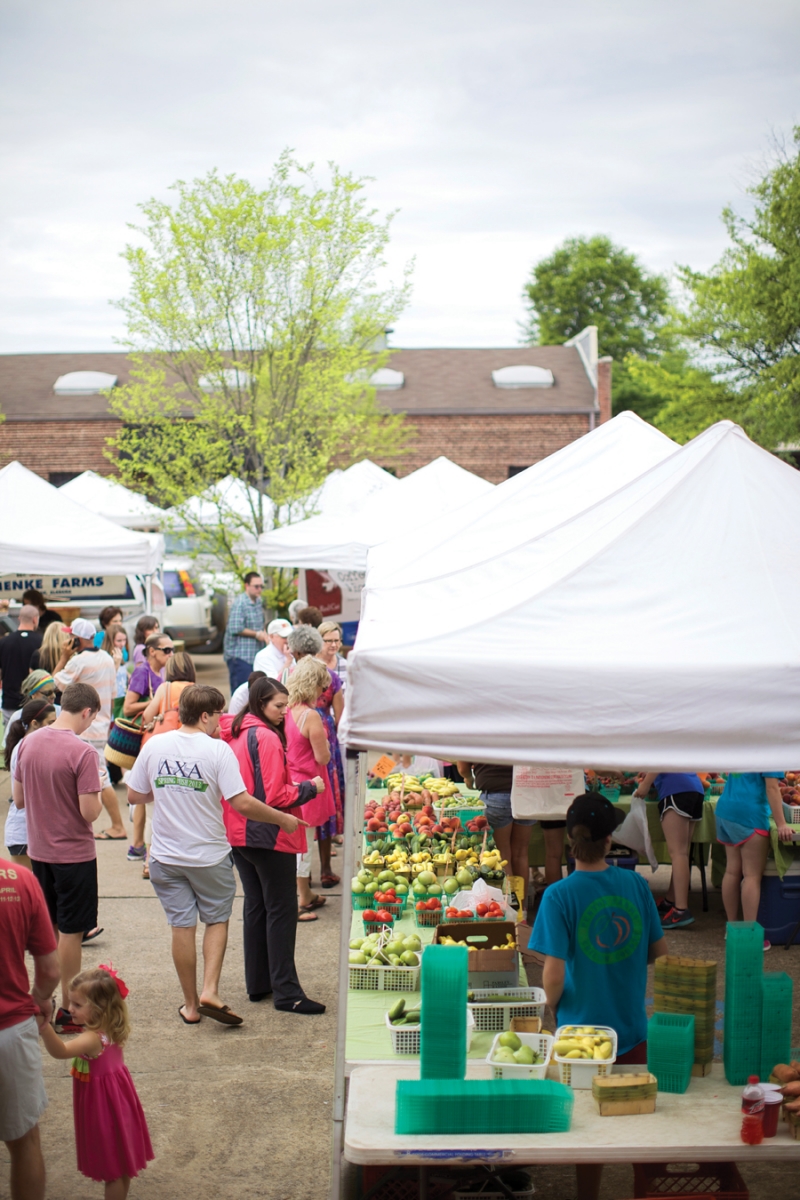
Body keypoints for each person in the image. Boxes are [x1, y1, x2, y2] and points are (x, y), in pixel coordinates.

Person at [126, 684, 304, 1026]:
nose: (222, 720)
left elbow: (135, 794)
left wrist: (169, 790)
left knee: (181, 926)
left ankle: (191, 1006)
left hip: (165, 856)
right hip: (208, 855)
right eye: (219, 713)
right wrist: (283, 818)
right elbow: (241, 802)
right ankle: (210, 990)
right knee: (216, 920)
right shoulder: (217, 751)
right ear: (205, 715)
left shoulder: (155, 745)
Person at [530, 793, 667, 1200]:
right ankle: (648, 1188)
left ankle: (588, 1194)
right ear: (610, 841)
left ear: (571, 843)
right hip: (631, 1029)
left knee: (588, 1130)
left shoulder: (558, 895)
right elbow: (659, 954)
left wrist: (553, 1010)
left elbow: (553, 973)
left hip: (579, 1039)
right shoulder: (635, 884)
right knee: (638, 1112)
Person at [220, 677, 327, 1012]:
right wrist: (310, 787)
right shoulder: (264, 736)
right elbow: (275, 795)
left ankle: (259, 984)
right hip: (267, 833)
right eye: (279, 706)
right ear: (260, 703)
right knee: (281, 911)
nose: (285, 712)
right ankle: (287, 993)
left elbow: (256, 786)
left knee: (256, 906)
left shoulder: (237, 731)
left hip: (239, 832)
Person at [12, 682, 104, 1033]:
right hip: (74, 854)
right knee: (72, 931)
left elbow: (18, 800)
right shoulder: (83, 752)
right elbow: (90, 813)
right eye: (91, 719)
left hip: (39, 852)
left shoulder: (27, 743)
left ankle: (42, 999)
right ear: (86, 712)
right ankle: (69, 1007)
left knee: (48, 928)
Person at [37, 966, 154, 1199]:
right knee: (122, 1164)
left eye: (78, 1005)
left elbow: (60, 1051)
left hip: (103, 1106)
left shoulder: (91, 1038)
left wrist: (44, 1026)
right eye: (71, 1003)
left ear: (100, 1008)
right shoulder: (111, 1026)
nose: (70, 1009)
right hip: (120, 1101)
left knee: (113, 1170)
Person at [0, 854, 59, 1200]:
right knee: (24, 1141)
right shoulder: (19, 879)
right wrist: (41, 1000)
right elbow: (50, 970)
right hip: (11, 1029)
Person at [53, 618, 125, 840]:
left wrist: (64, 658)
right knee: (95, 776)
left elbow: (55, 684)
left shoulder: (78, 662)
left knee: (101, 778)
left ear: (77, 638)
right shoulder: (106, 658)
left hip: (85, 728)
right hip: (101, 724)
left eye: (71, 635)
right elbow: (113, 695)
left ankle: (118, 826)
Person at [128, 652, 196, 876]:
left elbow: (146, 717)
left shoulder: (165, 689)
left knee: (153, 808)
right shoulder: (196, 690)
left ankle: (149, 861)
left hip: (160, 752)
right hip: (187, 754)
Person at [716, 772, 793, 949]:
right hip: (749, 815)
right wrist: (781, 824)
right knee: (751, 876)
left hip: (725, 811)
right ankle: (750, 936)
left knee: (731, 871)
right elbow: (772, 788)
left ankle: (732, 928)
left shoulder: (746, 743)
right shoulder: (770, 750)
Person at [286, 658, 338, 903]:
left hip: (289, 782)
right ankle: (303, 895)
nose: (323, 693)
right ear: (313, 685)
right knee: (303, 845)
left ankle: (301, 892)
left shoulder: (285, 709)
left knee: (293, 841)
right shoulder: (311, 716)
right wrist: (327, 745)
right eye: (321, 687)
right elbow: (322, 756)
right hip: (310, 785)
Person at [456, 760, 535, 912]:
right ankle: (521, 910)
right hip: (527, 792)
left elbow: (462, 765)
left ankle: (511, 909)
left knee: (503, 853)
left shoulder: (478, 734)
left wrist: (469, 778)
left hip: (496, 794)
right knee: (521, 853)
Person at [631, 771, 706, 929]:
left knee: (678, 853)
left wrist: (644, 786)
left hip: (675, 790)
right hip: (695, 788)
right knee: (682, 853)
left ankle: (680, 910)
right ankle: (671, 901)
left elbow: (656, 761)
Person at [4, 699, 57, 869]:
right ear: (34, 723)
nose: (55, 728)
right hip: (23, 834)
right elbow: (22, 799)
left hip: (35, 832)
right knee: (27, 892)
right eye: (51, 723)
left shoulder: (32, 746)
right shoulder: (25, 749)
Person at [314, 633, 345, 845]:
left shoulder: (288, 673)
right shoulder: (331, 676)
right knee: (325, 783)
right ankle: (325, 862)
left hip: (299, 731)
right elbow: (339, 716)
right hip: (325, 732)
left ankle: (303, 871)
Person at [222, 572, 267, 692]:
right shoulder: (240, 603)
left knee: (252, 692)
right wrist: (257, 634)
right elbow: (235, 628)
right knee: (240, 692)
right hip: (240, 656)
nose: (259, 589)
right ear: (246, 586)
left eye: (261, 586)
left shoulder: (258, 601)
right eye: (256, 586)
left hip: (253, 655)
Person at [0, 605, 42, 726]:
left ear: (19, 618)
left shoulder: (3, 642)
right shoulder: (41, 642)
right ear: (35, 619)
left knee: (12, 740)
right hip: (34, 702)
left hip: (10, 702)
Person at [123, 634, 173, 720]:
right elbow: (127, 708)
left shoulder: (162, 670)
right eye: (167, 650)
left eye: (172, 650)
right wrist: (155, 702)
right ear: (152, 651)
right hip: (141, 729)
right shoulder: (142, 672)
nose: (171, 654)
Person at [317, 619, 348, 688]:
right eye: (329, 641)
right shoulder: (310, 664)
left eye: (336, 640)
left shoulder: (346, 665)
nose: (333, 645)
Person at [104, 627, 131, 705]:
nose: (122, 644)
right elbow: (106, 681)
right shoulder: (105, 658)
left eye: (124, 640)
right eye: (119, 641)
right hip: (111, 702)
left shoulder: (120, 655)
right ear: (110, 641)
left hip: (121, 700)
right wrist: (116, 664)